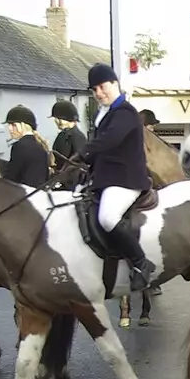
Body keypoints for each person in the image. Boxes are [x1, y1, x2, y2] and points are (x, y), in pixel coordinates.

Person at [82, 63, 157, 291]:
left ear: (115, 83)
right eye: (94, 90)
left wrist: (84, 150)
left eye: (102, 87)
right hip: (106, 178)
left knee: (107, 217)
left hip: (126, 179)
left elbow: (111, 140)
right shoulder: (104, 114)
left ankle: (141, 263)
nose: (98, 93)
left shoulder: (125, 111)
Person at [0, 105, 53, 283]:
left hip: (21, 203)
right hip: (41, 202)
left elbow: (9, 179)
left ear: (22, 125)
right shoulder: (41, 147)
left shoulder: (20, 146)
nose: (9, 129)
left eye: (12, 125)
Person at [49, 99, 88, 188]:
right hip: (60, 177)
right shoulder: (64, 134)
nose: (55, 121)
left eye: (58, 118)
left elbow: (78, 163)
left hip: (69, 183)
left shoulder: (76, 136)